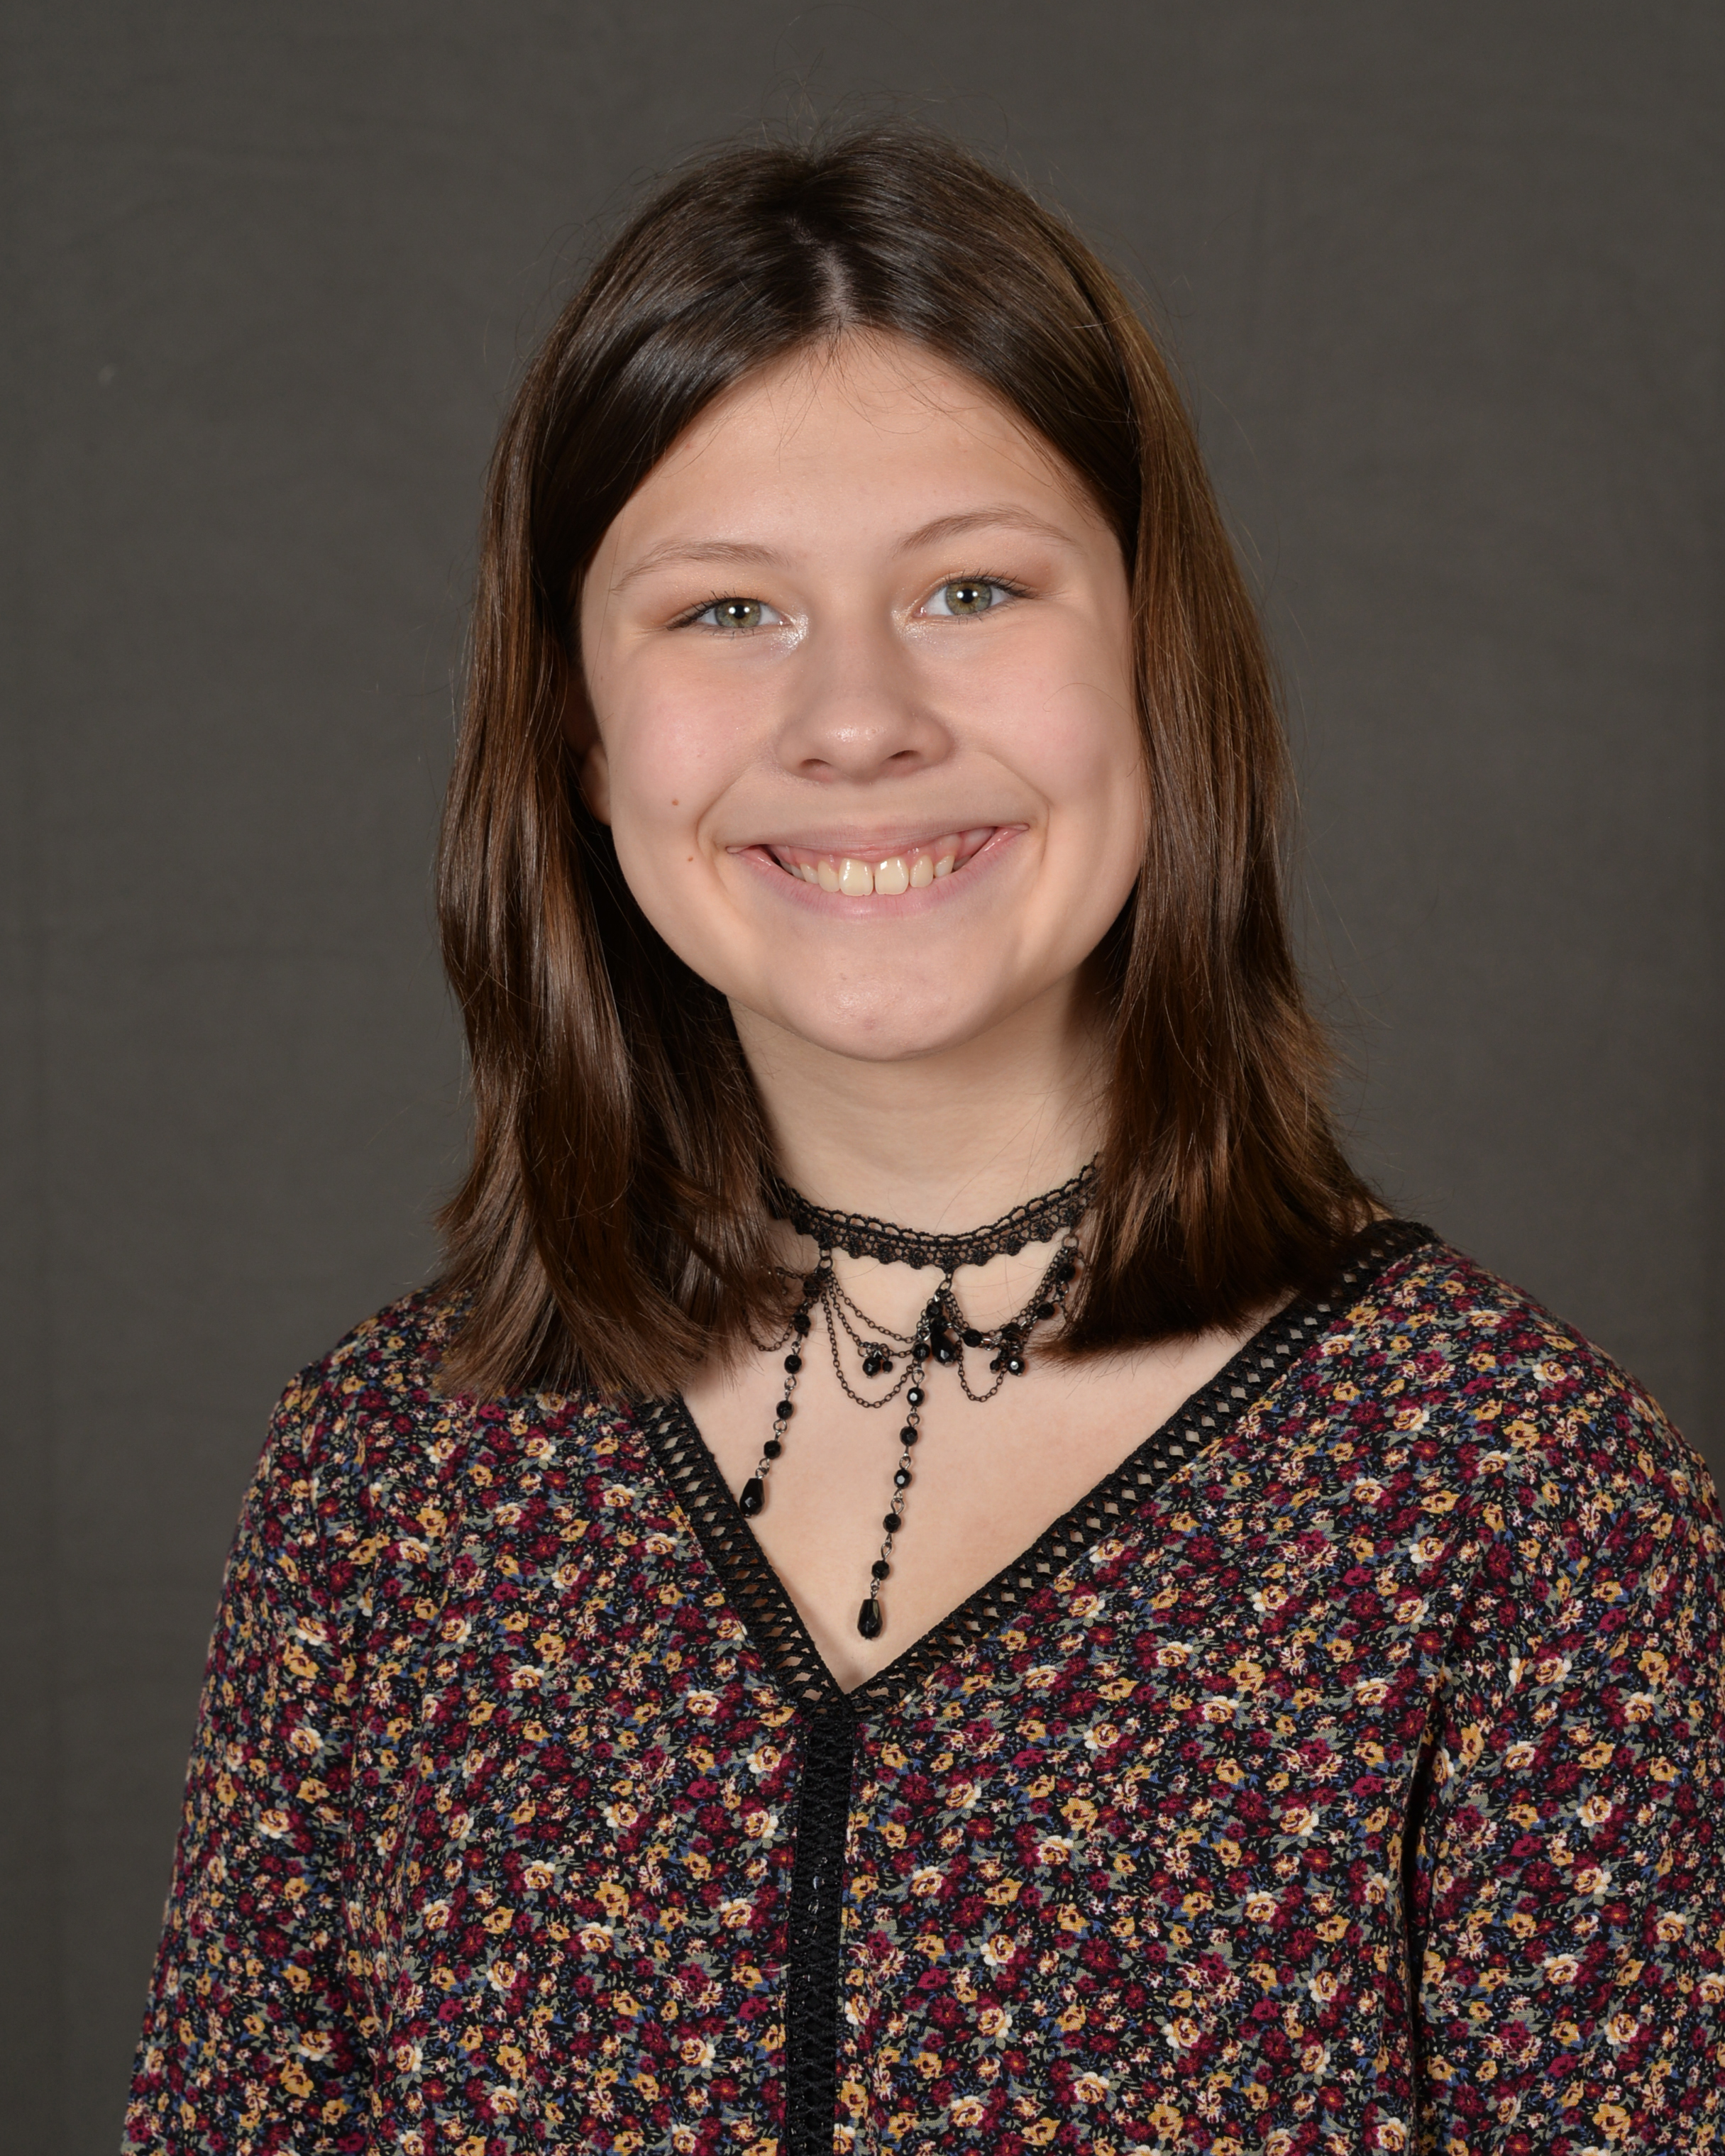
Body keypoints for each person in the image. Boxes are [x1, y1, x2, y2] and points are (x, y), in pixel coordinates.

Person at [124, 127, 1723, 2156]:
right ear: (580, 735)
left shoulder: (1518, 1503)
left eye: (971, 589)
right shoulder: (383, 1493)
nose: (858, 718)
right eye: (727, 610)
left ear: (1155, 657)